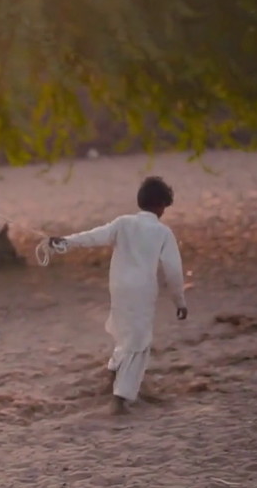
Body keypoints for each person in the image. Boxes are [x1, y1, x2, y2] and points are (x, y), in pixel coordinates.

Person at [50, 176, 188, 415]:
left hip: (119, 288)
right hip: (142, 291)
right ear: (161, 206)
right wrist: (180, 301)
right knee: (139, 341)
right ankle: (120, 399)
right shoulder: (163, 232)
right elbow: (173, 271)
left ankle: (114, 372)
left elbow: (93, 236)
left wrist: (64, 242)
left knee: (124, 332)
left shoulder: (123, 223)